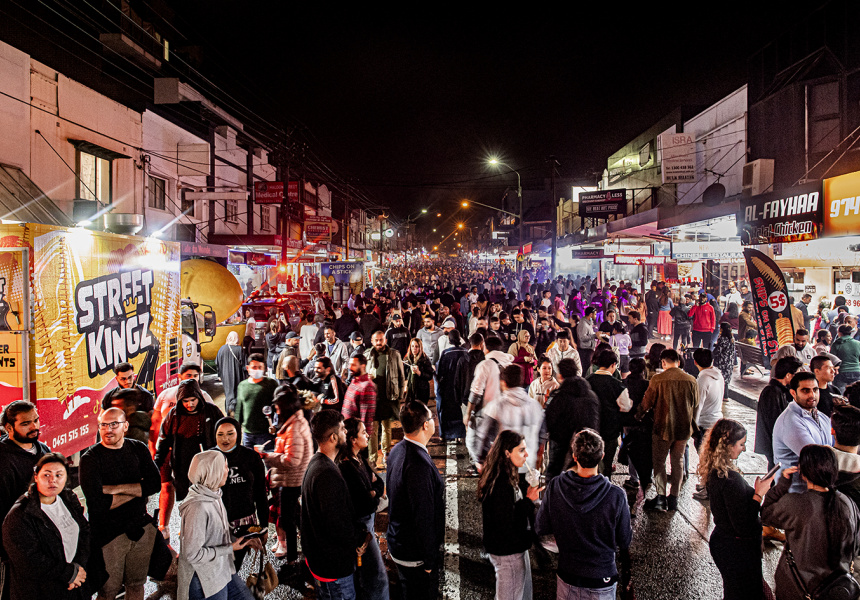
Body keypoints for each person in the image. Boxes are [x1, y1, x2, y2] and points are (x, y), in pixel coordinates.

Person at [535, 429, 632, 600]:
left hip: (568, 575)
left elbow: (541, 526)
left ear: (574, 457)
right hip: (602, 578)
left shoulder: (556, 486)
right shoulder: (616, 496)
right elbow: (624, 539)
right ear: (602, 456)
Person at [79, 407, 161, 600]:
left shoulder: (138, 449)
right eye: (103, 425)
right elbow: (98, 504)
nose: (108, 430)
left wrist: (114, 489)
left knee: (136, 584)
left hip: (140, 529)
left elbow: (154, 484)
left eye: (114, 424)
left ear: (125, 426)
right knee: (108, 590)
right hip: (108, 535)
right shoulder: (90, 459)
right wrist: (138, 491)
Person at [762, 445, 859, 600]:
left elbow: (765, 514)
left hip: (797, 589)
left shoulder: (795, 504)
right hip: (837, 589)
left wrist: (782, 485)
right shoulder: (848, 503)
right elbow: (856, 545)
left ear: (803, 473)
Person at [2, 453, 101, 600]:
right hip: (40, 592)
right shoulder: (20, 514)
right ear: (36, 476)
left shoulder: (68, 498)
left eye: (59, 475)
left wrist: (78, 568)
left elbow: (84, 531)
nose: (52, 480)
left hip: (74, 586)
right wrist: (69, 573)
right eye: (46, 475)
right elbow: (28, 561)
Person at [698, 419, 772, 600]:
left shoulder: (716, 471)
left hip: (724, 544)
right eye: (741, 444)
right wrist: (759, 494)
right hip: (737, 550)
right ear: (728, 446)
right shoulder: (731, 479)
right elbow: (743, 525)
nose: (744, 449)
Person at [302, 410, 370, 599]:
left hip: (323, 563)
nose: (346, 432)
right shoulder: (327, 474)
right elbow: (337, 524)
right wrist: (359, 538)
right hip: (333, 567)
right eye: (342, 429)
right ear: (333, 437)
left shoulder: (317, 463)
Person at [177, 450, 261, 600]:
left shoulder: (214, 494)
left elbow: (216, 534)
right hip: (204, 582)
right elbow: (193, 554)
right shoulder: (198, 507)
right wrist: (230, 548)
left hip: (222, 569)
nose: (228, 471)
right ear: (213, 472)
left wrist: (242, 540)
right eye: (225, 467)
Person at [386, 401, 445, 600]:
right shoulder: (418, 465)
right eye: (431, 418)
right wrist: (429, 560)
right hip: (414, 553)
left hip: (399, 540)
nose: (434, 421)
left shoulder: (397, 450)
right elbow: (423, 516)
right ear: (425, 425)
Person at [478, 430, 540, 600]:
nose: (527, 454)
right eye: (521, 450)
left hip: (512, 549)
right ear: (507, 453)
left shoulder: (504, 474)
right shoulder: (500, 485)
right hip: (508, 553)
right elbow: (506, 522)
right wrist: (529, 500)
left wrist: (527, 486)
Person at [638, 348, 699, 512]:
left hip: (662, 427)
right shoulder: (691, 380)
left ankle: (660, 497)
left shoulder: (658, 379)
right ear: (678, 362)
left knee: (659, 462)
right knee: (678, 461)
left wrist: (638, 415)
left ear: (663, 362)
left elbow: (647, 402)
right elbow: (696, 403)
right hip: (683, 429)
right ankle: (674, 498)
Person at [0, 400, 50, 596]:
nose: (34, 427)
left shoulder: (43, 449)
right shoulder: (4, 460)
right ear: (9, 428)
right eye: (25, 423)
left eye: (36, 420)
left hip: (43, 543)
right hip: (15, 550)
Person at [154, 379, 224, 518]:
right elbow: (164, 440)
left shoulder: (211, 411)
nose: (190, 404)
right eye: (185, 401)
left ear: (199, 397)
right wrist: (157, 463)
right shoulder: (173, 415)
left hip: (208, 465)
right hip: (182, 466)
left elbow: (224, 430)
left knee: (210, 497)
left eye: (193, 400)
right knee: (188, 500)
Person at [259, 386, 312, 562]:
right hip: (293, 478)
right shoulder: (293, 421)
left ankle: (293, 559)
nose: (276, 408)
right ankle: (304, 554)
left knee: (287, 519)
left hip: (293, 480)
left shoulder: (294, 426)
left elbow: (292, 460)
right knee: (295, 518)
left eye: (278, 404)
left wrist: (267, 457)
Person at [338, 418, 388, 600]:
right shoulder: (347, 466)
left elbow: (379, 482)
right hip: (361, 525)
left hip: (368, 521)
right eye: (363, 432)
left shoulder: (359, 458)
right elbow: (366, 502)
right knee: (377, 575)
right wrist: (373, 493)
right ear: (353, 439)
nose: (368, 435)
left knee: (366, 572)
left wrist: (374, 491)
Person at [213, 417, 269, 571]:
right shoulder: (209, 458)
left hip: (245, 525)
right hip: (216, 525)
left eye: (230, 434)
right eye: (220, 434)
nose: (225, 439)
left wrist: (264, 526)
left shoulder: (251, 457)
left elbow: (261, 493)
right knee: (217, 568)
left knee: (234, 567)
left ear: (238, 434)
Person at [475, 365, 545, 473]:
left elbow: (483, 436)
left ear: (503, 383)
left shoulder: (496, 406)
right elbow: (542, 436)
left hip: (504, 467)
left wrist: (481, 461)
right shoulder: (536, 406)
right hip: (528, 465)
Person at [772, 371, 833, 493]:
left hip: (814, 491)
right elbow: (817, 458)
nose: (812, 395)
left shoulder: (821, 417)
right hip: (794, 493)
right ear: (793, 393)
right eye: (806, 391)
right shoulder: (790, 421)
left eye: (815, 390)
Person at [544, 358, 600, 480]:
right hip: (587, 442)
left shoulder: (559, 396)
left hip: (561, 444)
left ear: (560, 375)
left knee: (554, 473)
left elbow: (549, 420)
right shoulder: (591, 395)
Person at [465, 336, 515, 470]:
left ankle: (483, 469)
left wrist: (468, 413)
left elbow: (476, 392)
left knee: (475, 444)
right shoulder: (510, 365)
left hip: (487, 412)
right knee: (499, 445)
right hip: (507, 413)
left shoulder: (485, 365)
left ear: (485, 348)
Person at [365, 330, 406, 468]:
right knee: (372, 430)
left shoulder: (394, 354)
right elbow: (360, 376)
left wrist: (400, 395)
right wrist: (366, 378)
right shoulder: (367, 355)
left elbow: (401, 376)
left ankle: (386, 455)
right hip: (372, 399)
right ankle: (372, 458)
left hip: (388, 397)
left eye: (381, 340)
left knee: (387, 428)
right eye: (376, 340)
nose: (378, 343)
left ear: (385, 340)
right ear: (372, 341)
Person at [586, 350, 632, 473]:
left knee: (590, 464)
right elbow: (626, 407)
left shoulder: (587, 382)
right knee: (607, 465)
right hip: (610, 430)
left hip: (591, 429)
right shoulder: (617, 385)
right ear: (613, 365)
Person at [754, 356, 804, 470]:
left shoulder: (780, 391)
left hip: (776, 444)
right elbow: (774, 422)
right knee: (776, 471)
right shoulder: (772, 392)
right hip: (774, 444)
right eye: (796, 374)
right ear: (788, 375)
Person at [235, 353, 278, 448]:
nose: (257, 370)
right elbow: (239, 410)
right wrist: (236, 430)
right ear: (248, 368)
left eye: (260, 367)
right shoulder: (242, 386)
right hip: (247, 435)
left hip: (266, 434)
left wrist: (276, 425)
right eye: (254, 367)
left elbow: (278, 407)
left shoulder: (271, 384)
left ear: (264, 368)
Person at [436, 330, 471, 440]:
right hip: (463, 387)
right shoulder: (466, 352)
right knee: (460, 412)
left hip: (449, 388)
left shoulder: (446, 353)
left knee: (448, 412)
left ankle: (447, 434)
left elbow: (440, 372)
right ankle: (461, 435)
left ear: (449, 340)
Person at [216, 331, 245, 415]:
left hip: (225, 376)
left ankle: (228, 411)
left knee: (228, 393)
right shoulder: (239, 349)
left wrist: (220, 375)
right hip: (237, 375)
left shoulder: (222, 349)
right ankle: (235, 412)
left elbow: (217, 363)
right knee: (236, 393)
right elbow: (244, 364)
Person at [831, 324, 860, 392]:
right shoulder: (858, 343)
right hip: (856, 371)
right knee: (856, 393)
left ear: (839, 333)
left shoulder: (836, 344)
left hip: (841, 372)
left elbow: (832, 360)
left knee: (840, 394)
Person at [712, 322, 736, 399]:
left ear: (722, 329)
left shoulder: (723, 338)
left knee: (720, 377)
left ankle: (721, 396)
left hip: (721, 361)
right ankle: (725, 396)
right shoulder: (731, 338)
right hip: (729, 361)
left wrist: (711, 355)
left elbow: (718, 350)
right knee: (726, 379)